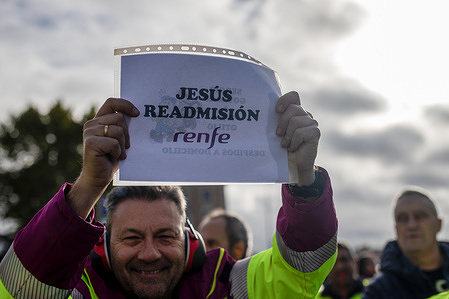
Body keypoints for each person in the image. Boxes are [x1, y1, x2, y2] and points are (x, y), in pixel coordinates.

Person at [0, 91, 338, 298]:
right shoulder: (78, 291)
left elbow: (300, 268)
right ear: (103, 243)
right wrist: (89, 185)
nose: (149, 253)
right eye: (131, 238)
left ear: (190, 239)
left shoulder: (230, 288)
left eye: (165, 236)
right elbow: (21, 289)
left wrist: (301, 177)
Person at [363, 187, 449, 298]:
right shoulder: (379, 291)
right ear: (396, 229)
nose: (411, 225)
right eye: (402, 218)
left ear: (439, 224)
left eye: (420, 216)